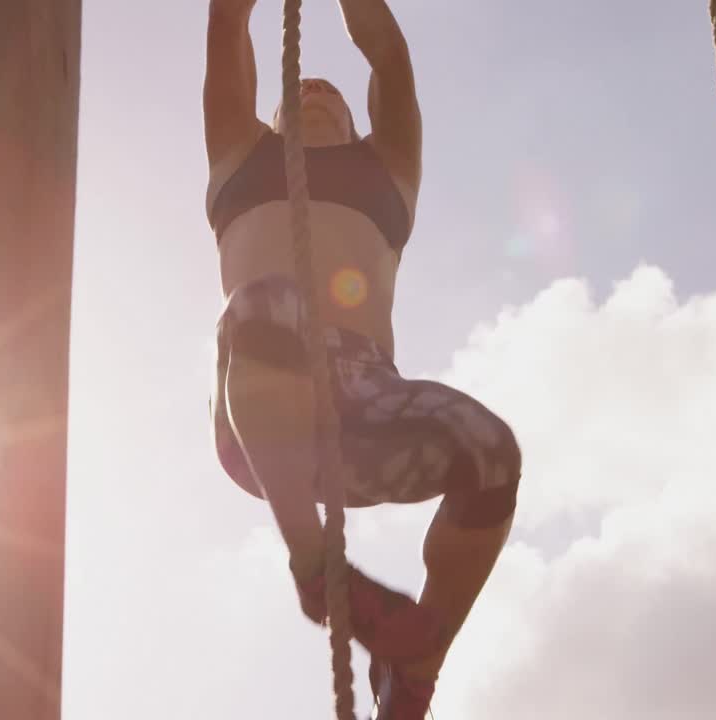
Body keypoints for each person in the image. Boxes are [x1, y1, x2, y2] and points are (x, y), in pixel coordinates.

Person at [203, 1, 522, 717]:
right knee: (268, 302)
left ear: (355, 123)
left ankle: (415, 666)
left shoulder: (388, 168)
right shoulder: (238, 152)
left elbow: (390, 59)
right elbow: (229, 25)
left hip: (368, 400)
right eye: (301, 90)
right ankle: (316, 563)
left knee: (492, 452)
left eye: (333, 93)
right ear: (274, 119)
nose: (315, 89)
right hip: (261, 401)